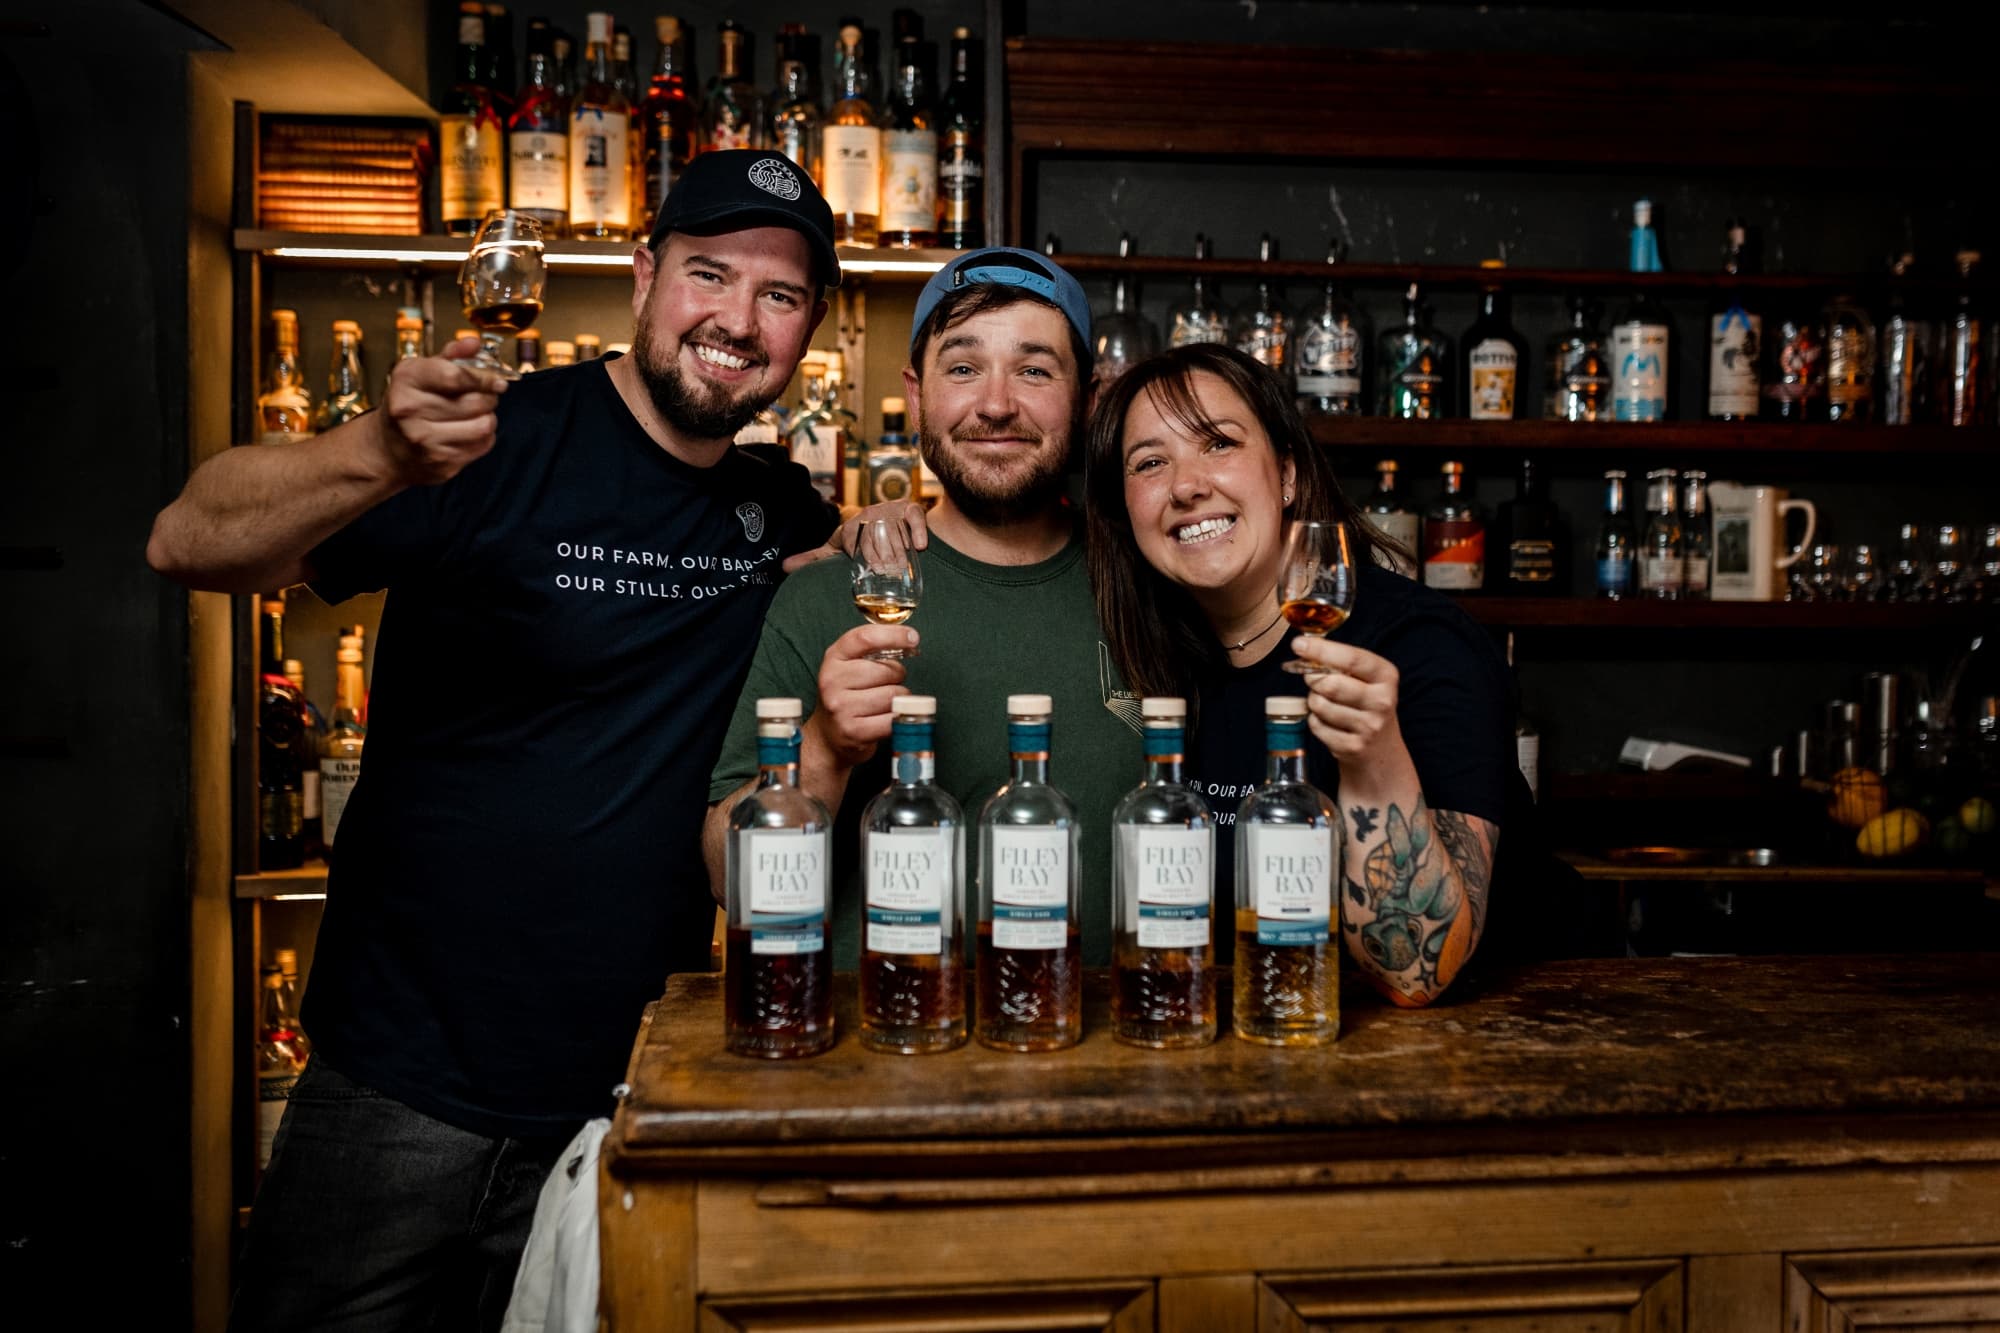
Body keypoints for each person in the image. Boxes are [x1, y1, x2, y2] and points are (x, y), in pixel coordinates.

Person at [148, 150, 867, 1331]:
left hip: (625, 1104)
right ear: (641, 278)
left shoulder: (781, 513)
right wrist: (376, 451)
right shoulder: (489, 437)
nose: (737, 319)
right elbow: (188, 540)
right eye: (708, 274)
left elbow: (862, 620)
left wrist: (882, 536)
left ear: (807, 333)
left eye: (778, 296)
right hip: (396, 1090)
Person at [703, 247, 1142, 964]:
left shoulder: (1151, 592)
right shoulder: (831, 594)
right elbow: (730, 880)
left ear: (1088, 398)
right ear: (915, 395)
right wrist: (824, 749)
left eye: (1035, 370)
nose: (996, 403)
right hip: (875, 1057)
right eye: (963, 368)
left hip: (1106, 1060)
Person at [1085, 343, 1557, 1005]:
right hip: (1262, 1038)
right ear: (1125, 509)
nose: (1187, 484)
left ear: (1286, 474)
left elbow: (1419, 973)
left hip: (1491, 1054)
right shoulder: (1162, 655)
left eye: (1218, 443)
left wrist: (1375, 762)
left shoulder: (1420, 645)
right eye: (1150, 462)